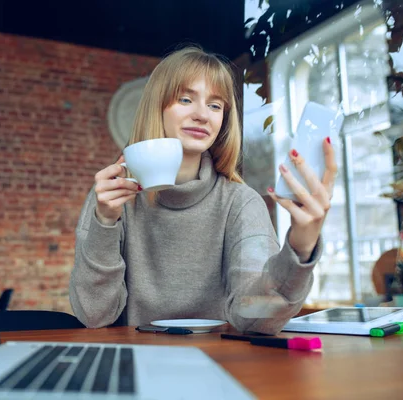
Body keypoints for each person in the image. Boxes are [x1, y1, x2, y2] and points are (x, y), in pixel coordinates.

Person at [69, 46, 337, 334]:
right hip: (132, 362)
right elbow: (95, 315)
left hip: (219, 363)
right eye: (186, 99)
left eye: (215, 105)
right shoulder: (111, 200)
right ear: (156, 107)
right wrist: (105, 224)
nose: (202, 115)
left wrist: (300, 248)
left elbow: (256, 316)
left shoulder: (240, 203)